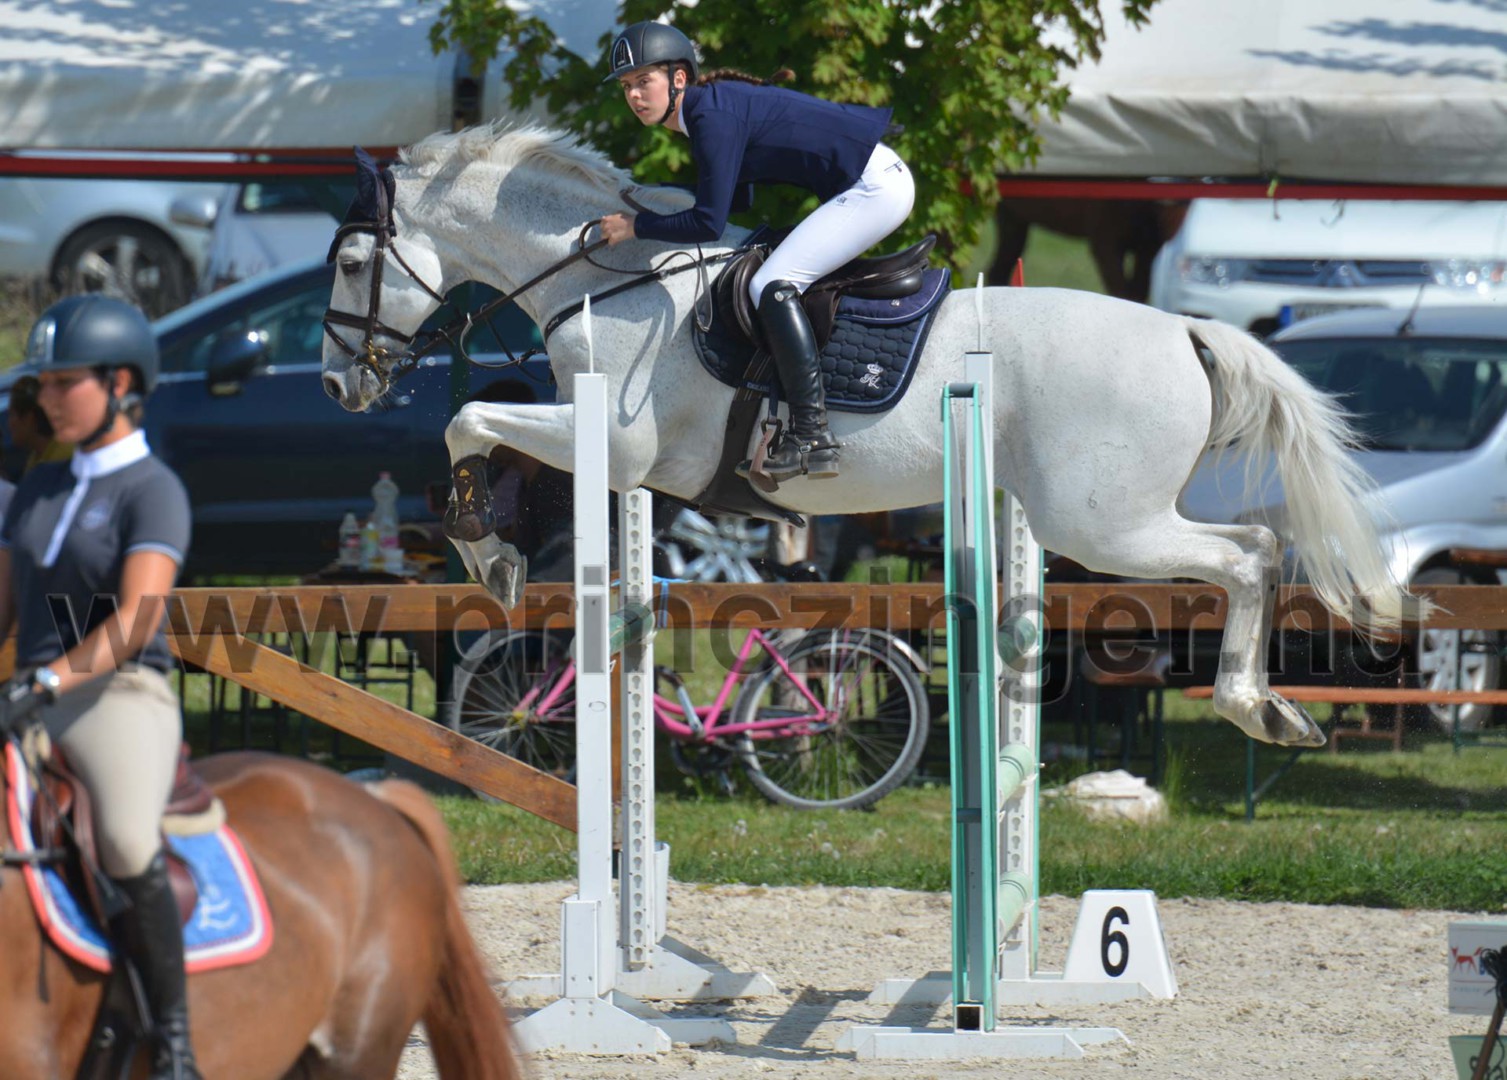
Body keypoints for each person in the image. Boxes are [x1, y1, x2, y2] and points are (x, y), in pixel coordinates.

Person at [0, 295, 200, 1079]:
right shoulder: (38, 489)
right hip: (30, 694)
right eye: (42, 385)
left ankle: (174, 1041)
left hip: (116, 697)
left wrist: (49, 679)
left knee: (121, 837)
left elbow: (136, 620)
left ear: (120, 383)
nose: (48, 398)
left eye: (65, 382)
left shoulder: (153, 489)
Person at [598, 21, 916, 484]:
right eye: (626, 86)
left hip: (875, 188)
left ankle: (812, 435)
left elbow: (708, 223)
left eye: (643, 81)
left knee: (771, 284)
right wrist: (650, 198)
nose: (633, 95)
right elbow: (738, 201)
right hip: (870, 183)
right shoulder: (708, 110)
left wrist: (636, 226)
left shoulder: (710, 118)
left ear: (678, 78)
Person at [7, 374, 74, 475]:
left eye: (12, 415)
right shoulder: (35, 458)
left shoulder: (64, 457)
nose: (9, 424)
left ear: (29, 419)